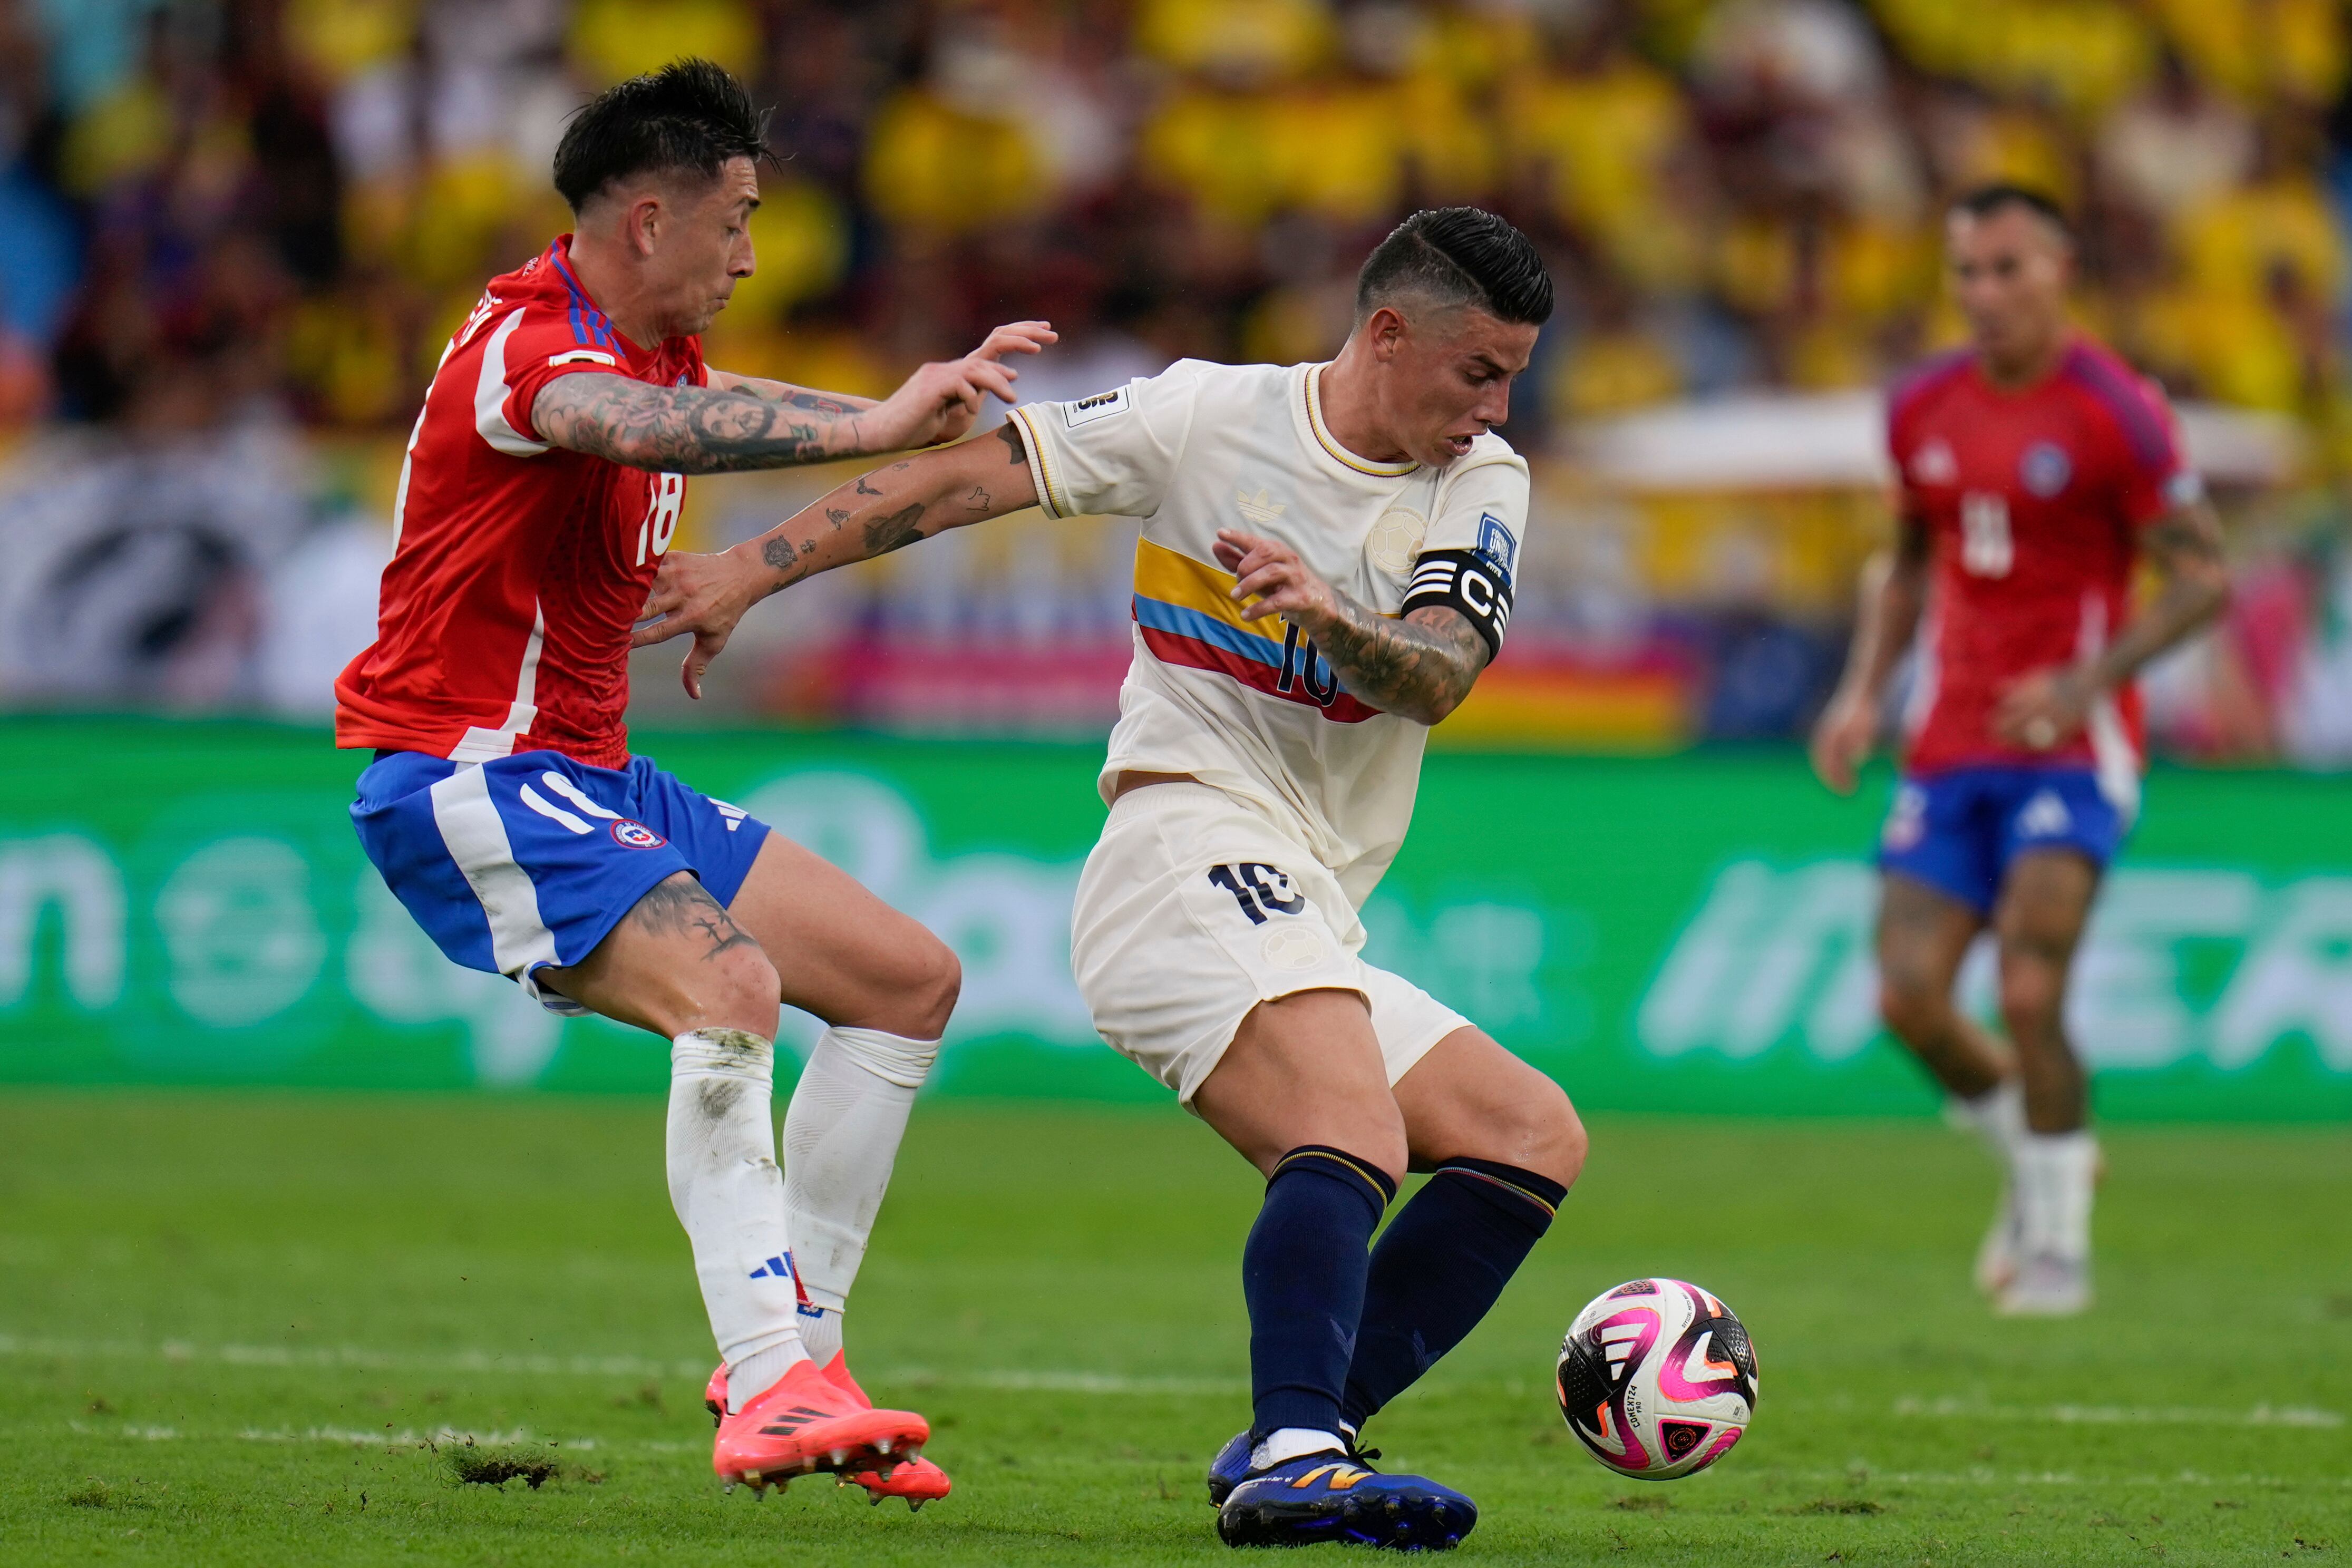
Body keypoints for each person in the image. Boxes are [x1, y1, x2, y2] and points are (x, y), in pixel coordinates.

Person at [636, 207, 1589, 1552]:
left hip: (1303, 890)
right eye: (1478, 371)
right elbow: (962, 482)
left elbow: (1435, 671)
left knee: (1525, 1135)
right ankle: (1304, 1457)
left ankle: (1293, 1428)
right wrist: (746, 566)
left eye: (1512, 377)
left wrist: (1325, 612)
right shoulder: (1205, 418)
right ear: (1385, 334)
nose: (1496, 407)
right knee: (1352, 1130)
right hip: (1178, 849)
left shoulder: (1480, 480)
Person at [335, 59, 1056, 1505]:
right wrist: (869, 428)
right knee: (731, 989)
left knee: (905, 980)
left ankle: (801, 1362)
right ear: (647, 221)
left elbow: (702, 400)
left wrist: (893, 412)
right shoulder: (527, 347)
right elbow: (635, 428)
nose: (748, 251)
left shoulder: (645, 351)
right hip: (463, 769)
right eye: (734, 220)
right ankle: (768, 1377)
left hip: (588, 772)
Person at [1811, 185, 2231, 1317]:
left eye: (2005, 268)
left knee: (2028, 985)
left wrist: (2084, 683)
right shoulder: (1920, 408)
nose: (1982, 293)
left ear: (2059, 270)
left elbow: (2203, 574)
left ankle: (2055, 1249)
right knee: (1905, 999)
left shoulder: (2115, 412)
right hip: (1947, 744)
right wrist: (1859, 695)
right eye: (1965, 271)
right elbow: (1904, 565)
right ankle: (2039, 1154)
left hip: (2068, 746)